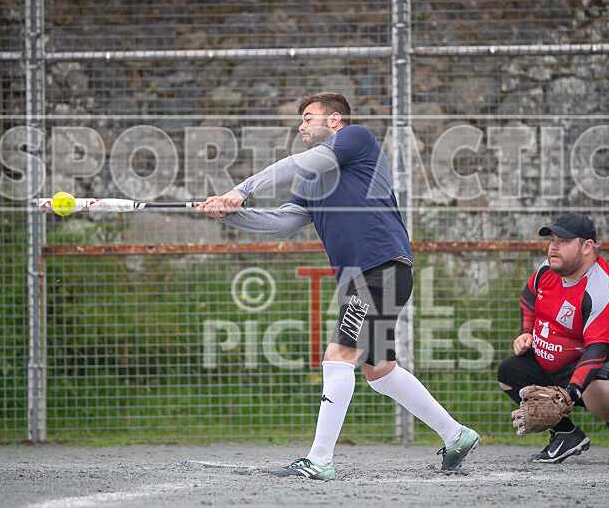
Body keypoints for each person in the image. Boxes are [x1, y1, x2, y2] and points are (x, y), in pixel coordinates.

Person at [196, 92, 480, 480]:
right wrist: (227, 214)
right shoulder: (314, 181)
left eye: (308, 117)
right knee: (380, 371)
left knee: (337, 356)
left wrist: (241, 190)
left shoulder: (356, 138)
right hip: (363, 279)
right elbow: (282, 223)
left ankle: (319, 460)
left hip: (379, 269)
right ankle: (456, 434)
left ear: (334, 120)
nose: (301, 126)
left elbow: (301, 161)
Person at [497, 212, 609, 465]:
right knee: (509, 372)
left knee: (596, 384)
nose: (553, 247)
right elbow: (529, 296)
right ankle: (565, 434)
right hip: (570, 359)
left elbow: (597, 350)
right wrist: (527, 332)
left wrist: (569, 393)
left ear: (587, 247)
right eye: (552, 240)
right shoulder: (547, 270)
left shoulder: (602, 290)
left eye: (564, 241)